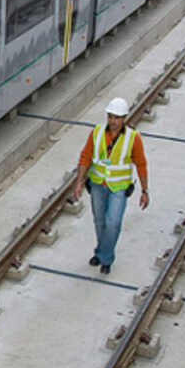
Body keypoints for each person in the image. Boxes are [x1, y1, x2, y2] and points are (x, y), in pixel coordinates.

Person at [72, 97, 150, 275]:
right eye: (110, 116)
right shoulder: (97, 133)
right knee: (100, 222)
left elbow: (141, 164)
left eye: (117, 118)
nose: (113, 121)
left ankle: (105, 258)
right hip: (98, 185)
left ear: (124, 118)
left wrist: (145, 190)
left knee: (112, 222)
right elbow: (85, 157)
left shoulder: (133, 139)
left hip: (119, 188)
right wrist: (79, 182)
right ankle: (101, 252)